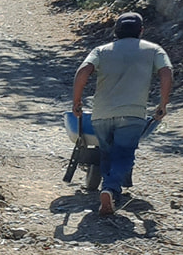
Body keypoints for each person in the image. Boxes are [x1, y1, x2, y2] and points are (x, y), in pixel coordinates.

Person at [73, 12, 173, 216]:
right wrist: (163, 103)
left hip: (101, 113)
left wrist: (76, 101)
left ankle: (110, 190)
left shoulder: (101, 50)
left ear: (116, 31)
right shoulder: (154, 50)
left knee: (107, 152)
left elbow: (83, 70)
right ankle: (110, 189)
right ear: (141, 31)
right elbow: (166, 72)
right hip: (132, 113)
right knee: (124, 153)